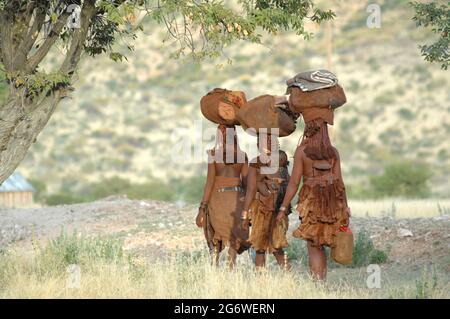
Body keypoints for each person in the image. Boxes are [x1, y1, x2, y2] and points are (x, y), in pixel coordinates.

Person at [276, 118, 350, 280]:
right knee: (323, 241)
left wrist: (283, 207)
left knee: (314, 244)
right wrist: (345, 208)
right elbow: (340, 183)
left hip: (311, 201)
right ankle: (320, 282)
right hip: (332, 202)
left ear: (308, 130)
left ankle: (317, 284)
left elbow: (294, 183)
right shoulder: (333, 152)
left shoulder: (302, 152)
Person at [196, 124, 249, 267]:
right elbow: (246, 183)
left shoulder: (215, 154)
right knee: (231, 238)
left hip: (222, 200)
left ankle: (218, 272)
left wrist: (202, 208)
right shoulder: (241, 155)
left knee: (220, 238)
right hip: (231, 200)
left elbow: (210, 182)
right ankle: (226, 271)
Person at [241, 134, 291, 269]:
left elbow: (288, 184)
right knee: (260, 247)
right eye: (263, 140)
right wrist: (245, 214)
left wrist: (284, 207)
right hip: (261, 209)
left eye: (270, 140)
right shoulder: (256, 162)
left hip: (277, 209)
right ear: (258, 144)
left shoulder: (281, 159)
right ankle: (261, 283)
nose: (267, 144)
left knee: (276, 246)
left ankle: (289, 279)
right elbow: (251, 189)